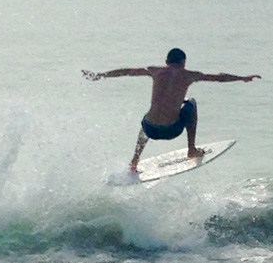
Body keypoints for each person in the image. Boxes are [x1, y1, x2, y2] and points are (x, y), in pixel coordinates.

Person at [82, 48, 260, 172]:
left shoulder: (154, 71)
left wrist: (100, 75)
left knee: (148, 116)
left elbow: (126, 71)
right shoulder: (189, 75)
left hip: (150, 130)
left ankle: (135, 160)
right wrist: (242, 78)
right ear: (183, 63)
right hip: (172, 130)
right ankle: (191, 149)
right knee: (191, 103)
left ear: (166, 62)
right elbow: (219, 78)